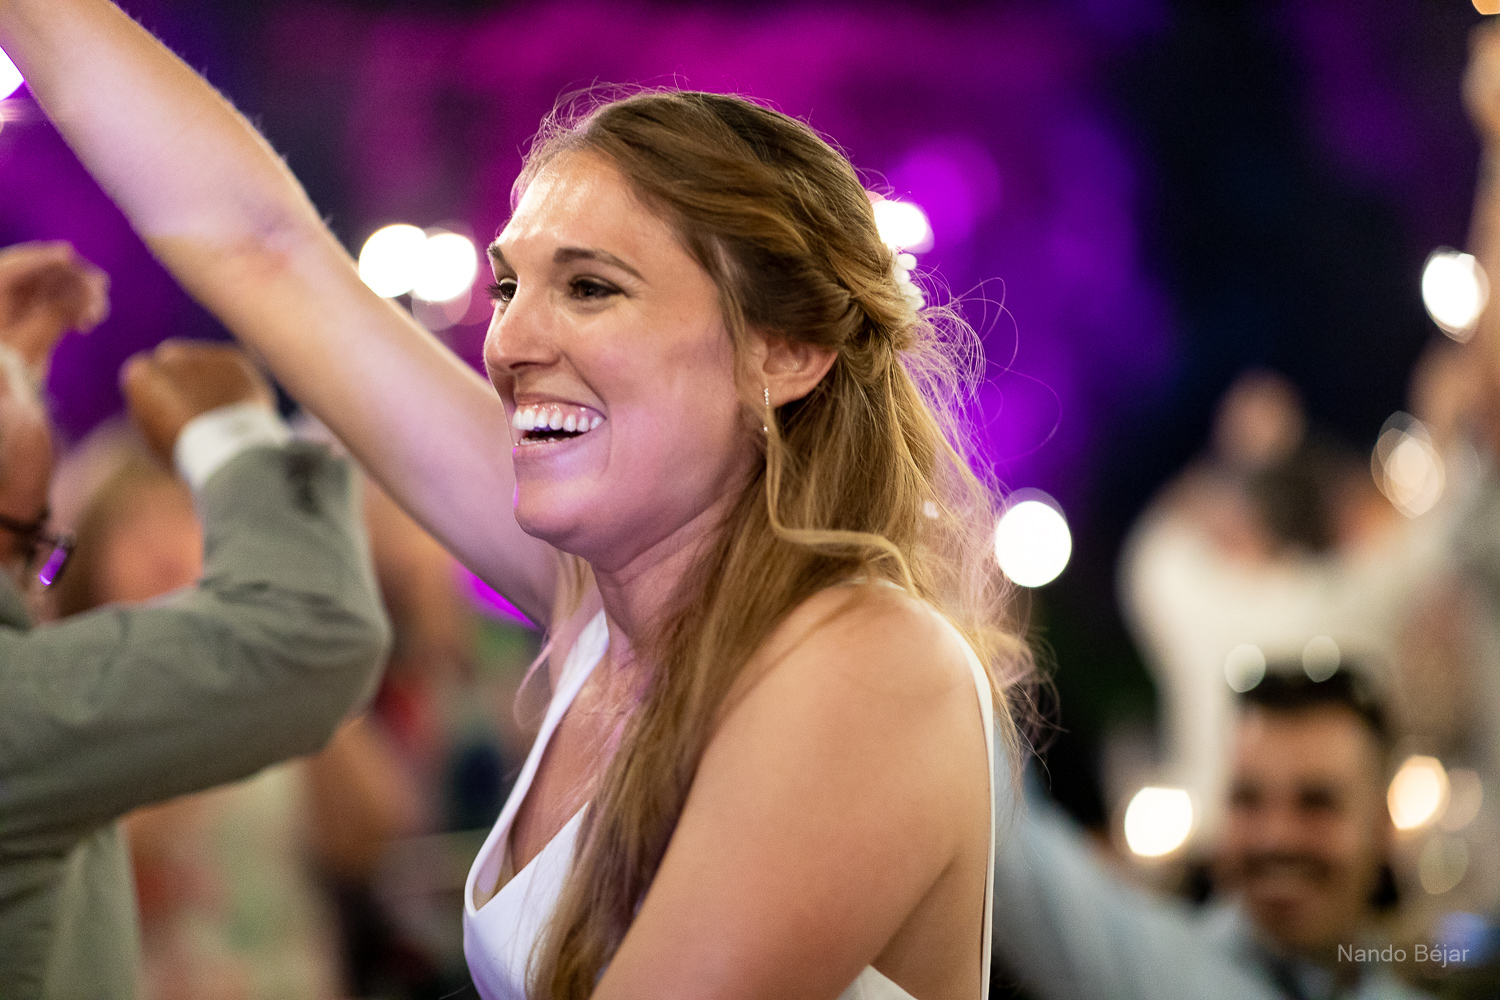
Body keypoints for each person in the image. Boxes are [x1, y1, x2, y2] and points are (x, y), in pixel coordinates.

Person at [0, 3, 1027, 998]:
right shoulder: (609, 609)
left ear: (786, 351)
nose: (508, 343)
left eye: (590, 287)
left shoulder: (868, 665)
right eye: (507, 288)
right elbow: (263, 248)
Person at [0, 240, 391, 999]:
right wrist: (232, 434)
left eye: (180, 521)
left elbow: (366, 832)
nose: (162, 551)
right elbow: (312, 627)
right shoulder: (42, 697)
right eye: (30, 543)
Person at [992, 670, 1430, 1000]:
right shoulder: (1153, 971)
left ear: (1383, 825)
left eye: (1316, 803)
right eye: (1247, 800)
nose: (1275, 838)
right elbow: (1012, 845)